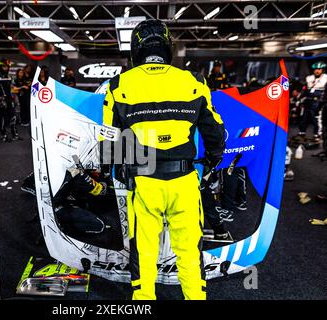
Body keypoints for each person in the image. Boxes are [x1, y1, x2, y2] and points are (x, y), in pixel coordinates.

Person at [99, 19, 225, 300]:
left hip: (144, 182)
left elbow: (108, 141)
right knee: (190, 251)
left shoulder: (118, 85)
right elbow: (215, 132)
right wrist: (213, 162)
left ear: (136, 49)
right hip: (184, 182)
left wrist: (115, 172)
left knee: (143, 251)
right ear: (168, 47)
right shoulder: (193, 82)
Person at [298, 61, 327, 138]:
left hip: (318, 101)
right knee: (304, 117)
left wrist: (323, 101)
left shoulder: (326, 78)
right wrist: (300, 98)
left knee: (316, 118)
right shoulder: (309, 78)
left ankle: (317, 134)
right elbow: (304, 89)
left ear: (323, 70)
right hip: (308, 100)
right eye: (315, 69)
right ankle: (302, 132)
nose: (317, 71)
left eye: (319, 69)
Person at [0, 58, 20, 142]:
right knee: (2, 118)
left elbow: (12, 88)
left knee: (13, 116)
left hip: (10, 99)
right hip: (0, 100)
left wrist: (14, 97)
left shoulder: (10, 76)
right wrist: (0, 100)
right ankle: (4, 135)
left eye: (7, 67)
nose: (6, 68)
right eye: (4, 66)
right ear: (0, 67)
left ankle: (14, 134)